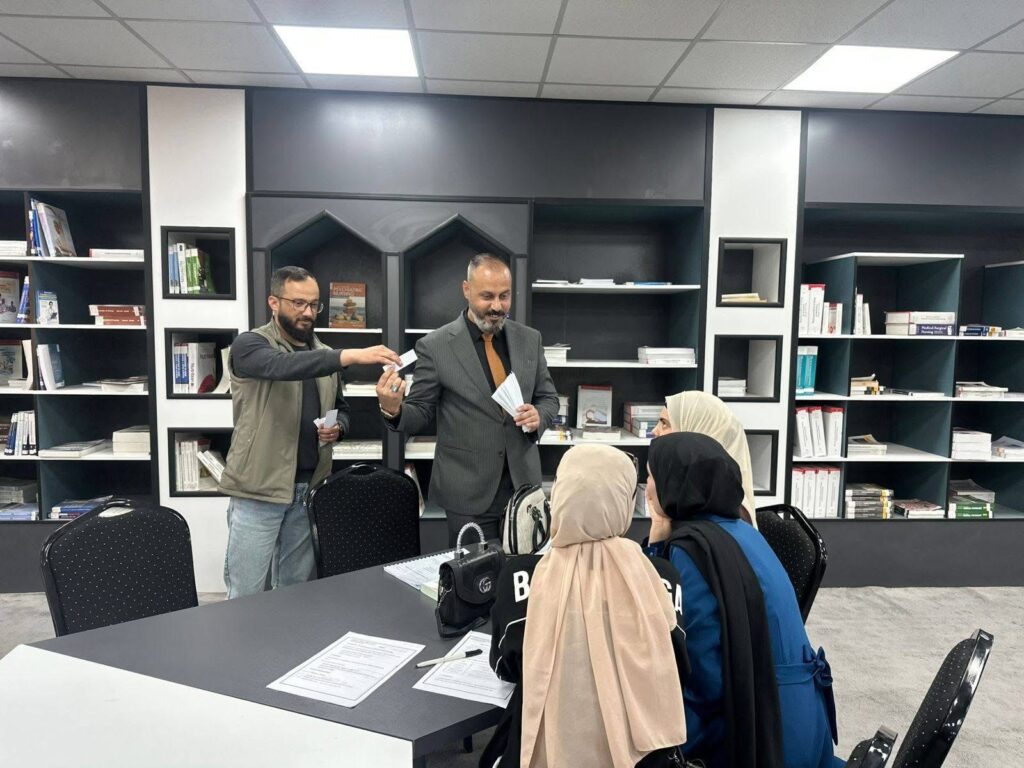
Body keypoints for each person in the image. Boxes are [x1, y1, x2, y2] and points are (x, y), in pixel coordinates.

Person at [482, 444, 689, 768]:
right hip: (643, 755)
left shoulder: (520, 574)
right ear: (624, 502)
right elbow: (678, 664)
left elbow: (505, 667)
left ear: (560, 496)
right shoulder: (660, 576)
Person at [645, 432, 841, 768]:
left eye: (651, 477)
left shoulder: (694, 553)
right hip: (802, 720)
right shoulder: (742, 530)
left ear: (673, 483)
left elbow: (702, 677)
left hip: (765, 734)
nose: (647, 487)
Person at [219, 266, 400, 599]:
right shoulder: (250, 345)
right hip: (258, 490)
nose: (307, 312)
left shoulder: (324, 355)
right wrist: (350, 355)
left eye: (314, 305)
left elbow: (342, 408)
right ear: (273, 302)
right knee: (245, 594)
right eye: (298, 303)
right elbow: (281, 366)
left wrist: (338, 428)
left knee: (294, 592)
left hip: (308, 489)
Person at [377, 253, 560, 545]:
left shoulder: (530, 339)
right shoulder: (435, 346)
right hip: (467, 494)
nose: (497, 306)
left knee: (523, 571)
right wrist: (393, 410)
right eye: (487, 296)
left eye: (504, 296)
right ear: (466, 290)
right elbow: (421, 412)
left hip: (523, 488)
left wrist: (540, 415)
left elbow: (549, 398)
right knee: (474, 573)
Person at [652, 390, 758, 527]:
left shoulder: (725, 510)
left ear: (697, 429)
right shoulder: (695, 491)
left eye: (665, 423)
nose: (654, 430)